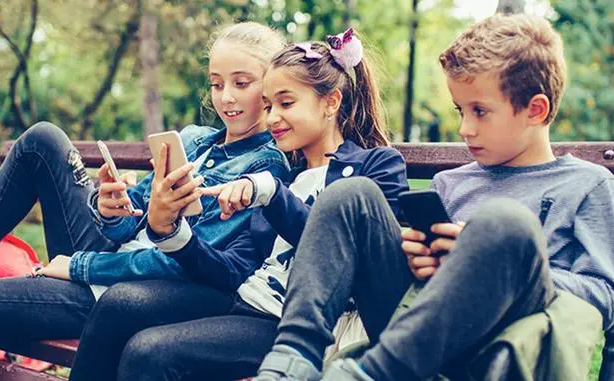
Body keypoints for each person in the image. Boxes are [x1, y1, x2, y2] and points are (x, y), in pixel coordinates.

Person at [0, 21, 291, 381]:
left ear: (270, 87)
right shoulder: (196, 141)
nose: (226, 98)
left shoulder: (261, 171)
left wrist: (77, 265)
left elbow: (186, 263)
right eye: (217, 84)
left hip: (116, 291)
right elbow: (131, 224)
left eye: (242, 83)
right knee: (42, 140)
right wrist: (111, 208)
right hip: (106, 264)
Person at [253, 14, 614, 381]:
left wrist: (492, 260)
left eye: (480, 111)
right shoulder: (451, 183)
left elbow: (605, 294)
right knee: (350, 194)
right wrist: (419, 258)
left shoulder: (586, 184)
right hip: (420, 332)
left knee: (503, 224)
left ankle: (370, 373)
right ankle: (290, 363)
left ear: (536, 109)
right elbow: (415, 282)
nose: (465, 128)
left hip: (502, 350)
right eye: (460, 110)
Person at [66, 28, 410, 381]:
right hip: (248, 302)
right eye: (270, 105)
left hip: (291, 324)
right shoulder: (283, 177)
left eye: (286, 103)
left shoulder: (376, 166)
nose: (273, 118)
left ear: (331, 102)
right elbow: (233, 269)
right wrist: (172, 232)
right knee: (121, 304)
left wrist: (270, 193)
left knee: (149, 351)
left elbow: (351, 253)